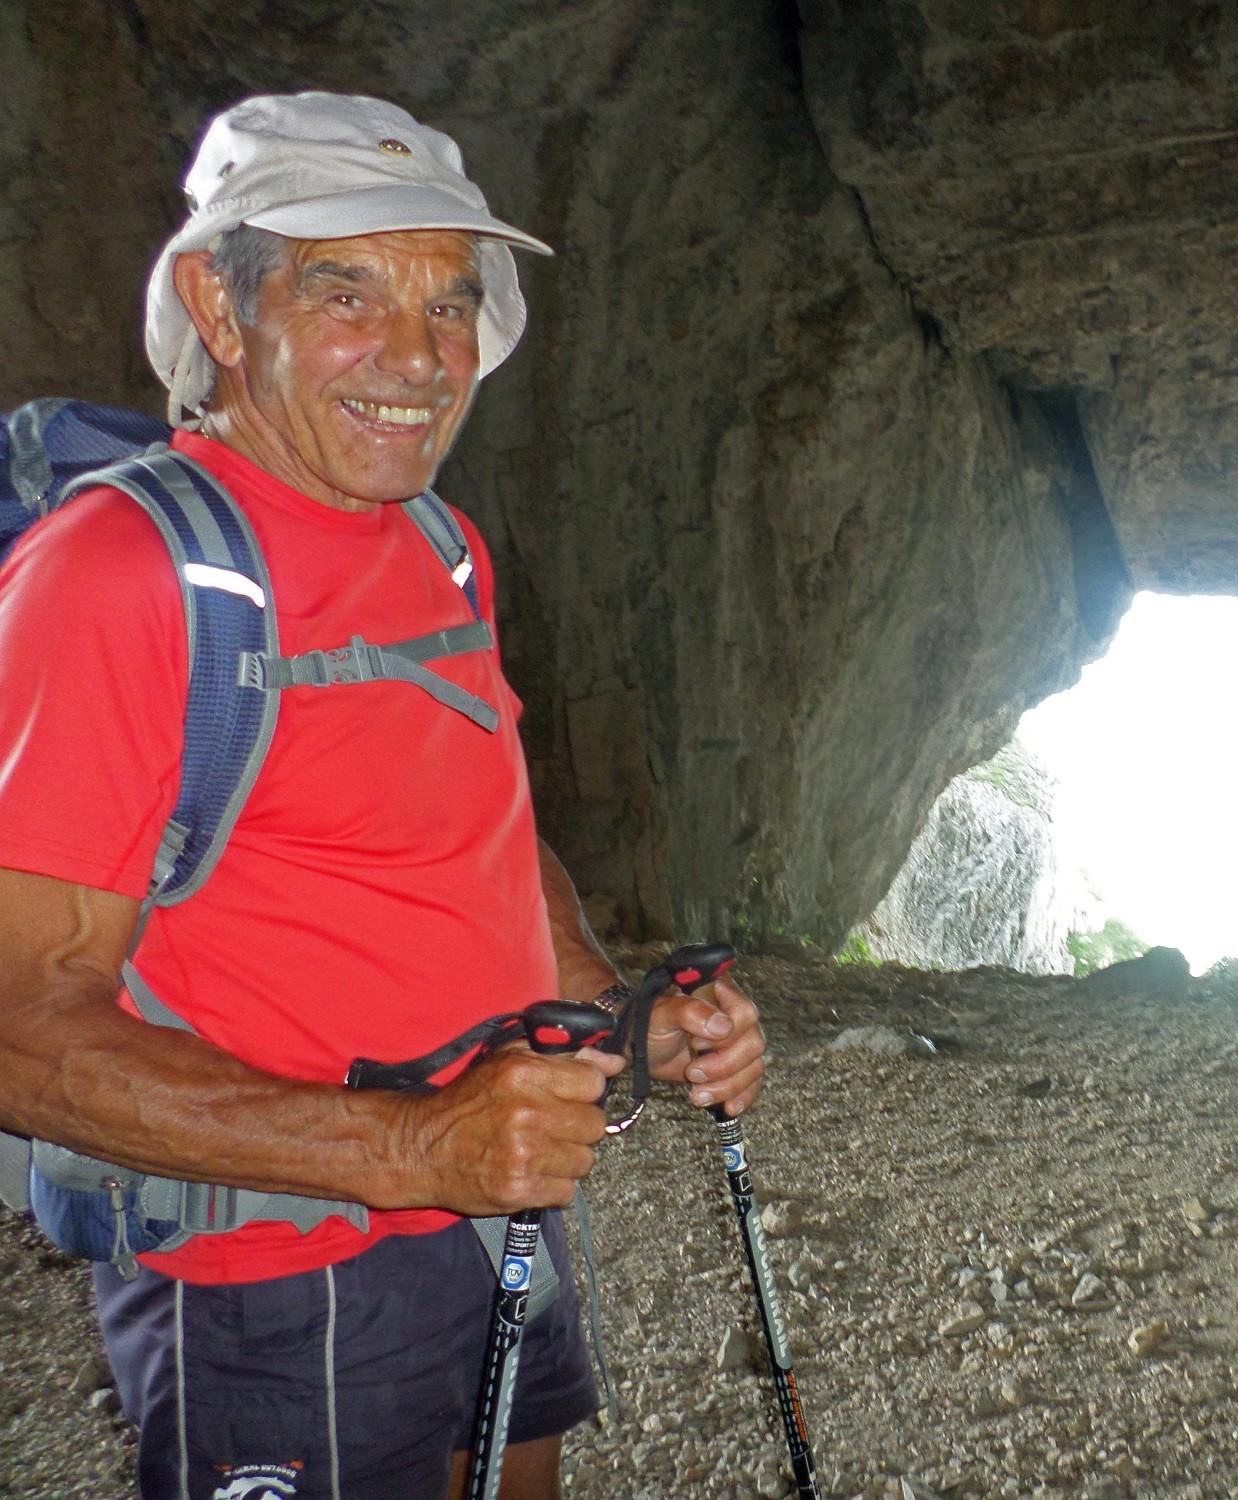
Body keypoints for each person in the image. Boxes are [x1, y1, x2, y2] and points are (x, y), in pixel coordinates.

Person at [0, 92, 767, 1499]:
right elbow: (16, 1025)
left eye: (450, 304)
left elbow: (477, 828)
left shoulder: (439, 540)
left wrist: (615, 1018)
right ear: (219, 310)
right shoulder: (116, 577)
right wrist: (414, 1147)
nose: (418, 356)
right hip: (279, 1279)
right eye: (343, 288)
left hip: (485, 1214)